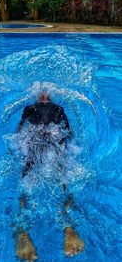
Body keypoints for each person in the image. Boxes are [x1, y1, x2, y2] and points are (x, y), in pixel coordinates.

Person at [15, 91, 84, 261]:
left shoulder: (28, 108)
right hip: (55, 140)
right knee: (64, 179)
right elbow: (68, 133)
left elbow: (19, 131)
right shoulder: (59, 109)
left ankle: (22, 232)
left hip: (34, 140)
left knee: (25, 179)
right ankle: (68, 227)